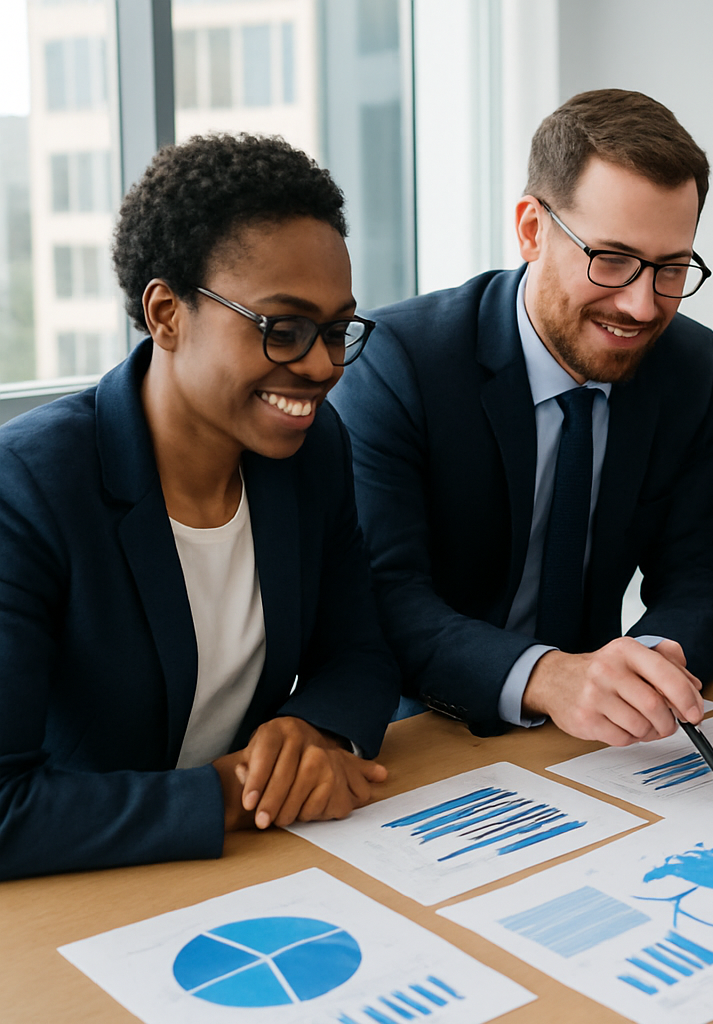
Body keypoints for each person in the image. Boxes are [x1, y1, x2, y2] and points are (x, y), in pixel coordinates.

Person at [0, 134, 399, 880]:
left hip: (249, 871)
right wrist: (230, 791)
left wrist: (312, 731)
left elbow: (360, 652)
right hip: (78, 895)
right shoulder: (26, 491)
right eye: (283, 330)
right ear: (166, 313)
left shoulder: (312, 452)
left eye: (337, 329)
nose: (320, 366)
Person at [329, 89, 713, 744]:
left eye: (671, 268)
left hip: (594, 742)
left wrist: (658, 663)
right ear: (530, 229)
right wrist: (547, 678)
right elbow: (386, 598)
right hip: (432, 729)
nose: (640, 304)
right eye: (612, 260)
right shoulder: (399, 365)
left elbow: (701, 566)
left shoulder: (686, 362)